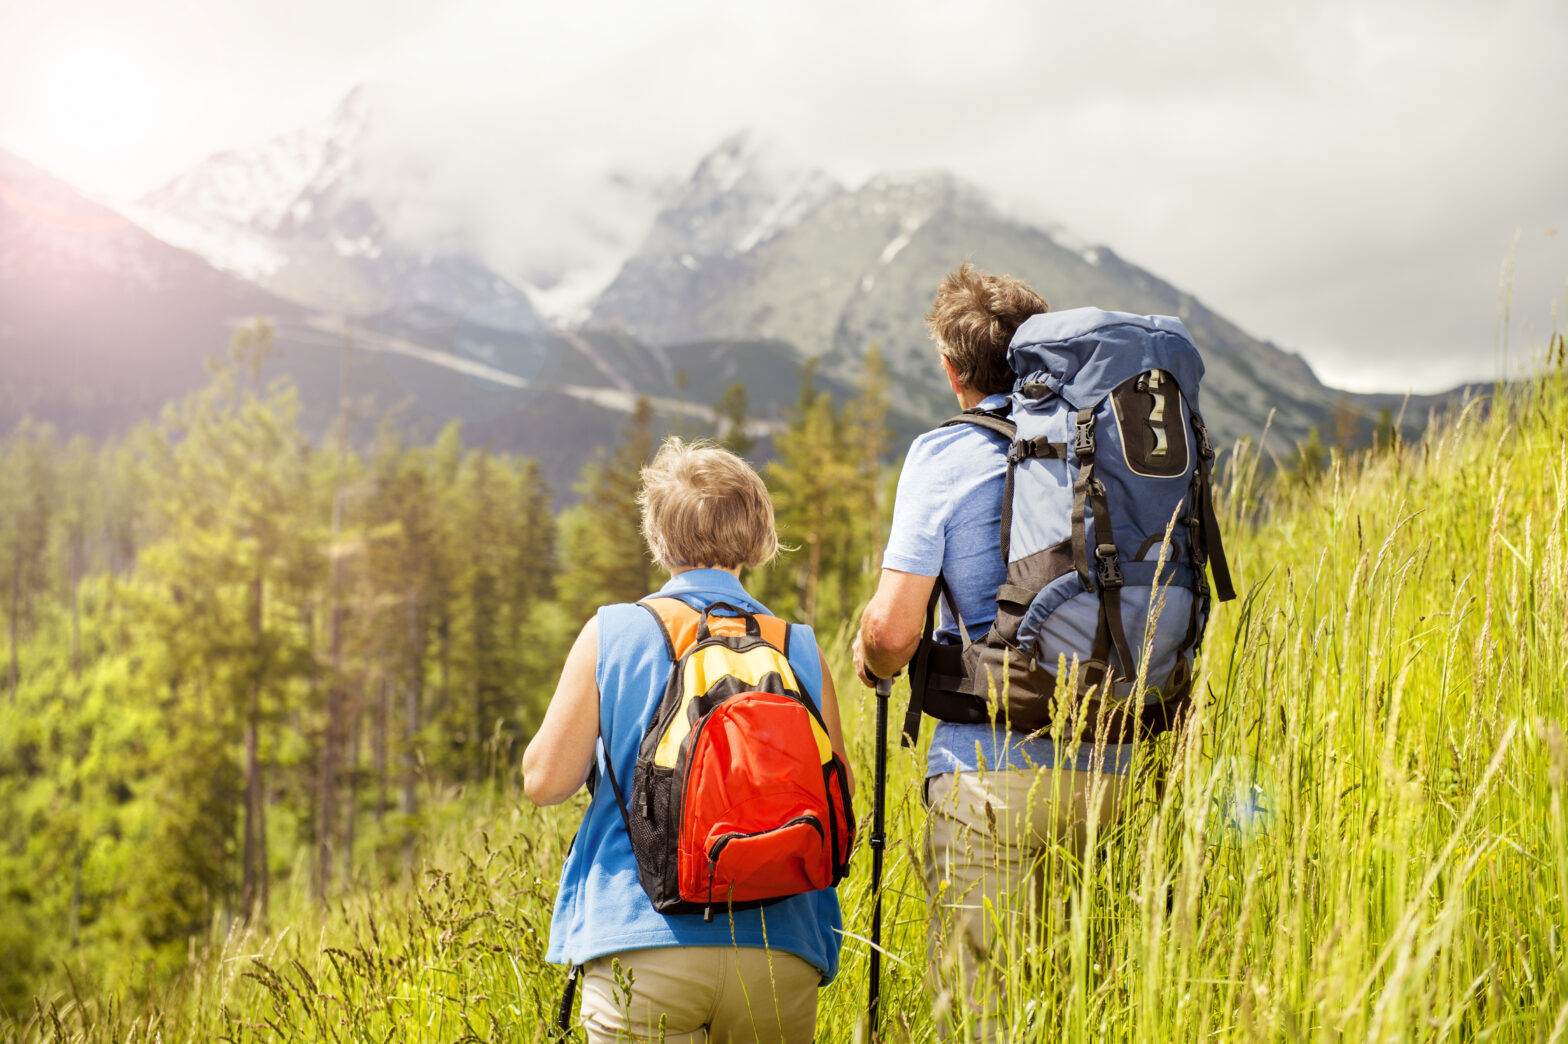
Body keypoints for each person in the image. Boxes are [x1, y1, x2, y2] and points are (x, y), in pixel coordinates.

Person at [852, 263, 1130, 1039]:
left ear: (951, 369)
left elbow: (893, 630)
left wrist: (870, 661)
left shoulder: (946, 454)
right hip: (1123, 762)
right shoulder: (1103, 445)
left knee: (984, 1019)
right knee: (1097, 1013)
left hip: (992, 776)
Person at [524, 437, 852, 1044]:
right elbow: (839, 796)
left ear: (658, 535)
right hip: (780, 952)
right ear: (757, 533)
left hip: (641, 941)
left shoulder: (613, 632)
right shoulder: (799, 645)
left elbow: (545, 782)